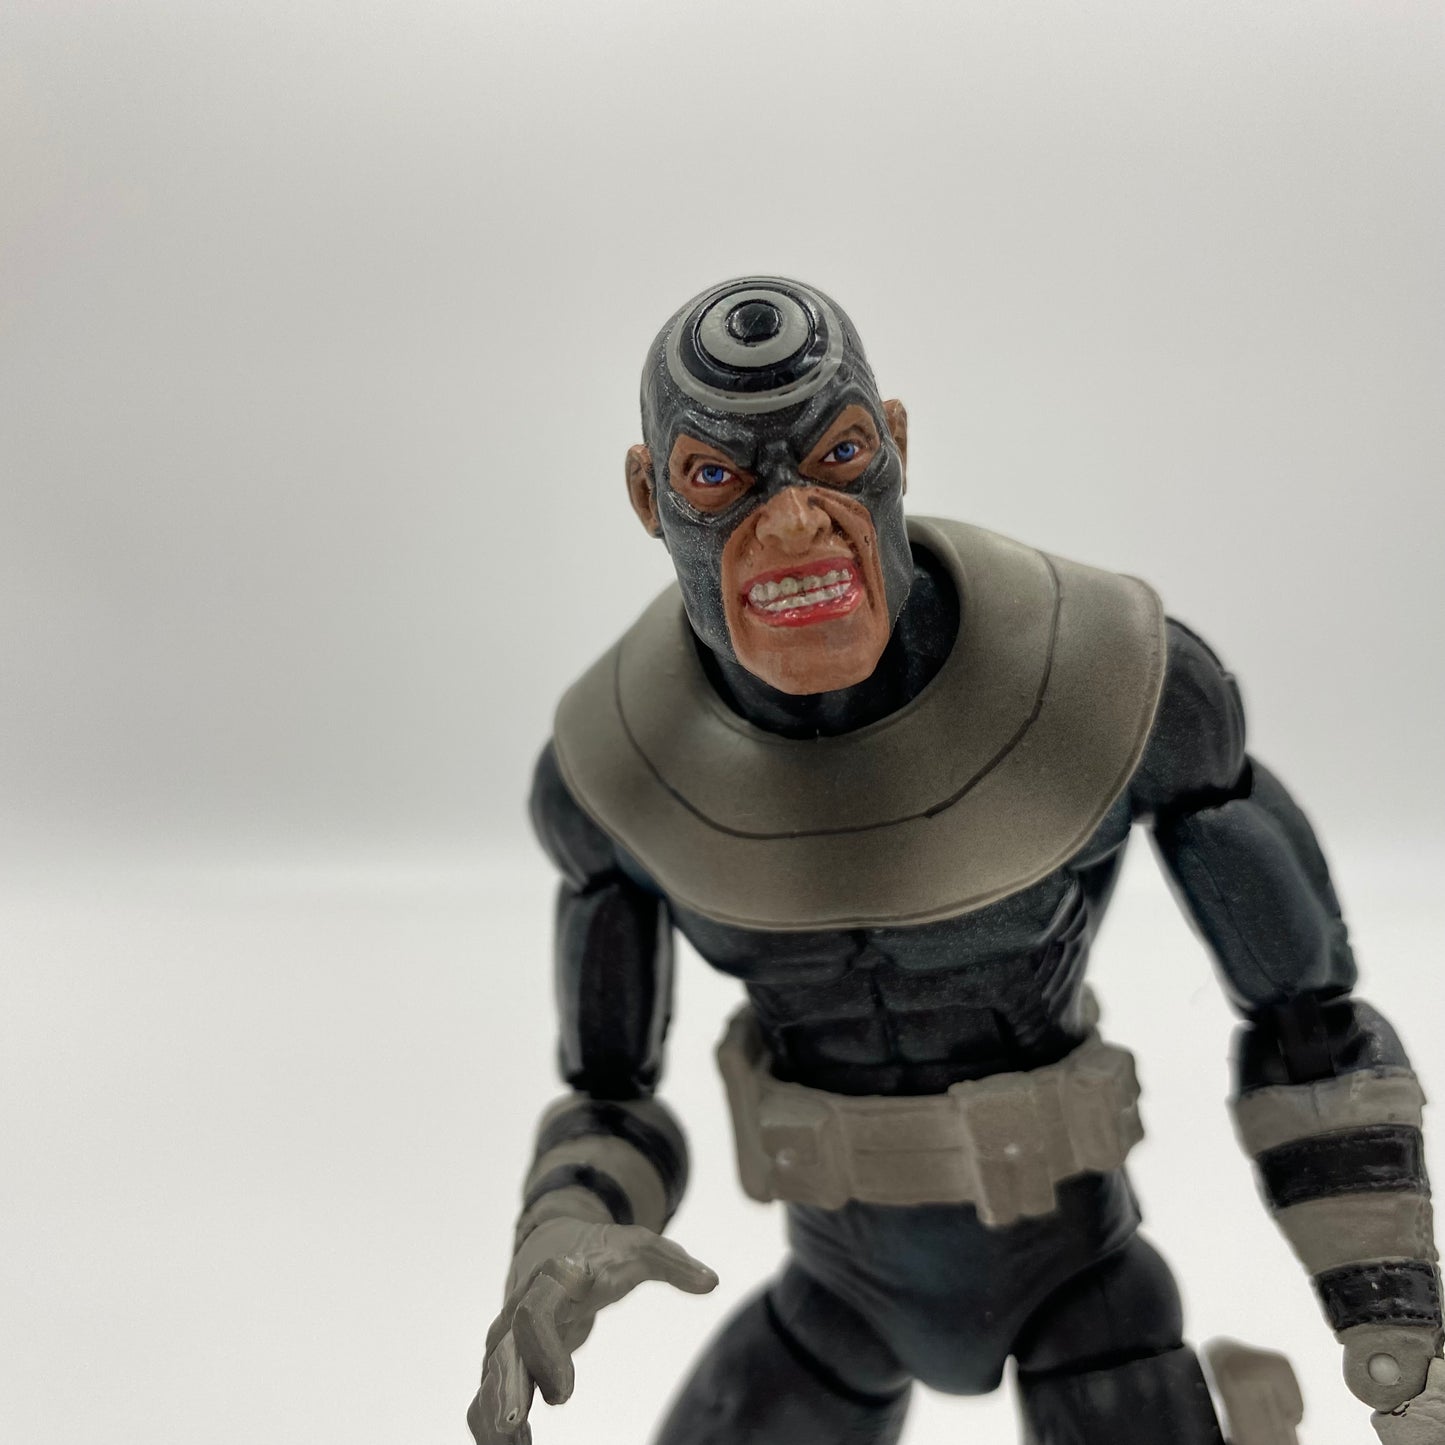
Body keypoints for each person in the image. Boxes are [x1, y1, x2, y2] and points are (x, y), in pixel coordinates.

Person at [468, 277, 1443, 1444]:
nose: (792, 525)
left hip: (1081, 1285)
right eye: (719, 477)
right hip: (833, 1290)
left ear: (894, 444)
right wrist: (561, 1236)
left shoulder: (1108, 681)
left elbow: (1308, 1026)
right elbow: (609, 1093)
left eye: (834, 456)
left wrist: (1392, 1326)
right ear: (648, 495)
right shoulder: (615, 768)